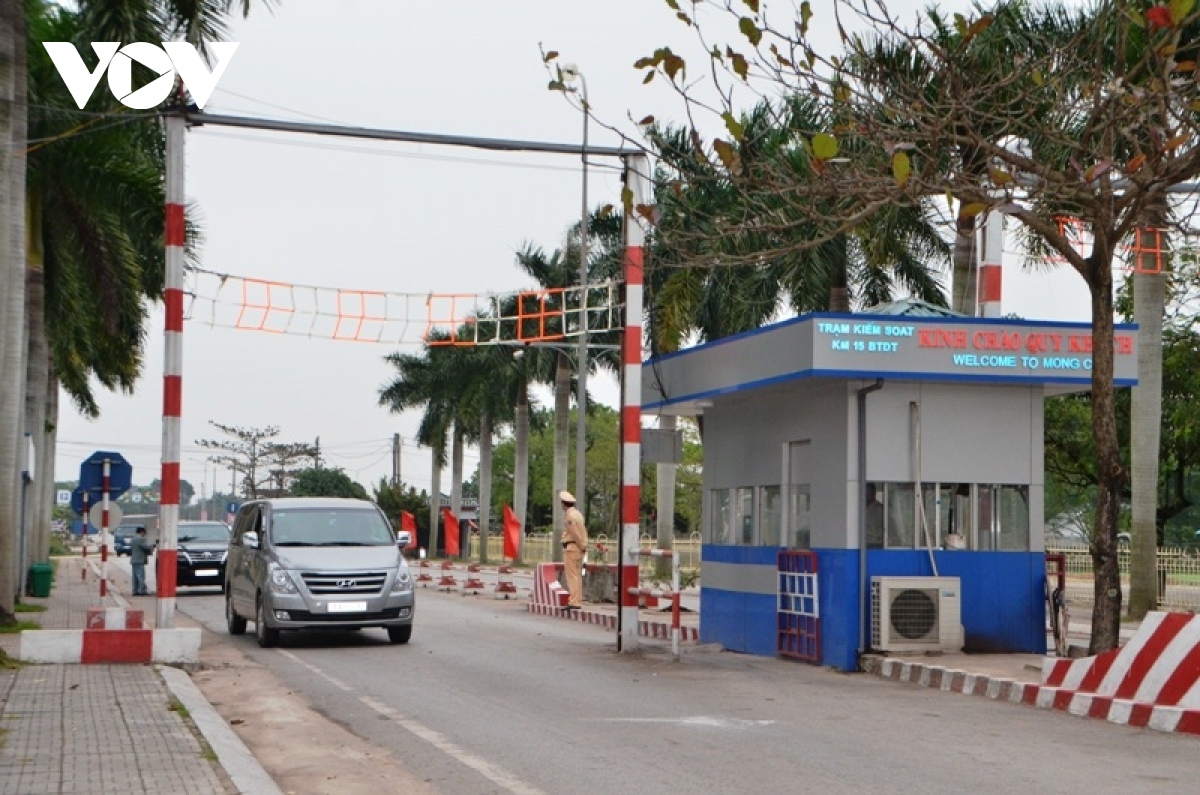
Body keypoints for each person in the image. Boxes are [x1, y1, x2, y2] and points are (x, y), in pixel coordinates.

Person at [559, 490, 587, 610]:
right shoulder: (578, 514)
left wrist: (581, 546)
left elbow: (575, 533)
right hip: (577, 547)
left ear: (564, 504)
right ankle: (577, 599)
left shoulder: (570, 516)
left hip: (572, 547)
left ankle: (574, 601)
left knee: (572, 576)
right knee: (577, 575)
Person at [130, 526, 154, 595]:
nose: (144, 534)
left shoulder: (133, 539)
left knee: (135, 577)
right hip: (139, 560)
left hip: (134, 560)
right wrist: (151, 548)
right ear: (142, 532)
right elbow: (145, 547)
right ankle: (142, 590)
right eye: (144, 533)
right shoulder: (141, 539)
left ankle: (135, 591)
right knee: (141, 576)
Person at [865, 484, 885, 549]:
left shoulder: (881, 509)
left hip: (877, 545)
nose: (866, 495)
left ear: (874, 492)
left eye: (868, 492)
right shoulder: (859, 508)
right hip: (862, 544)